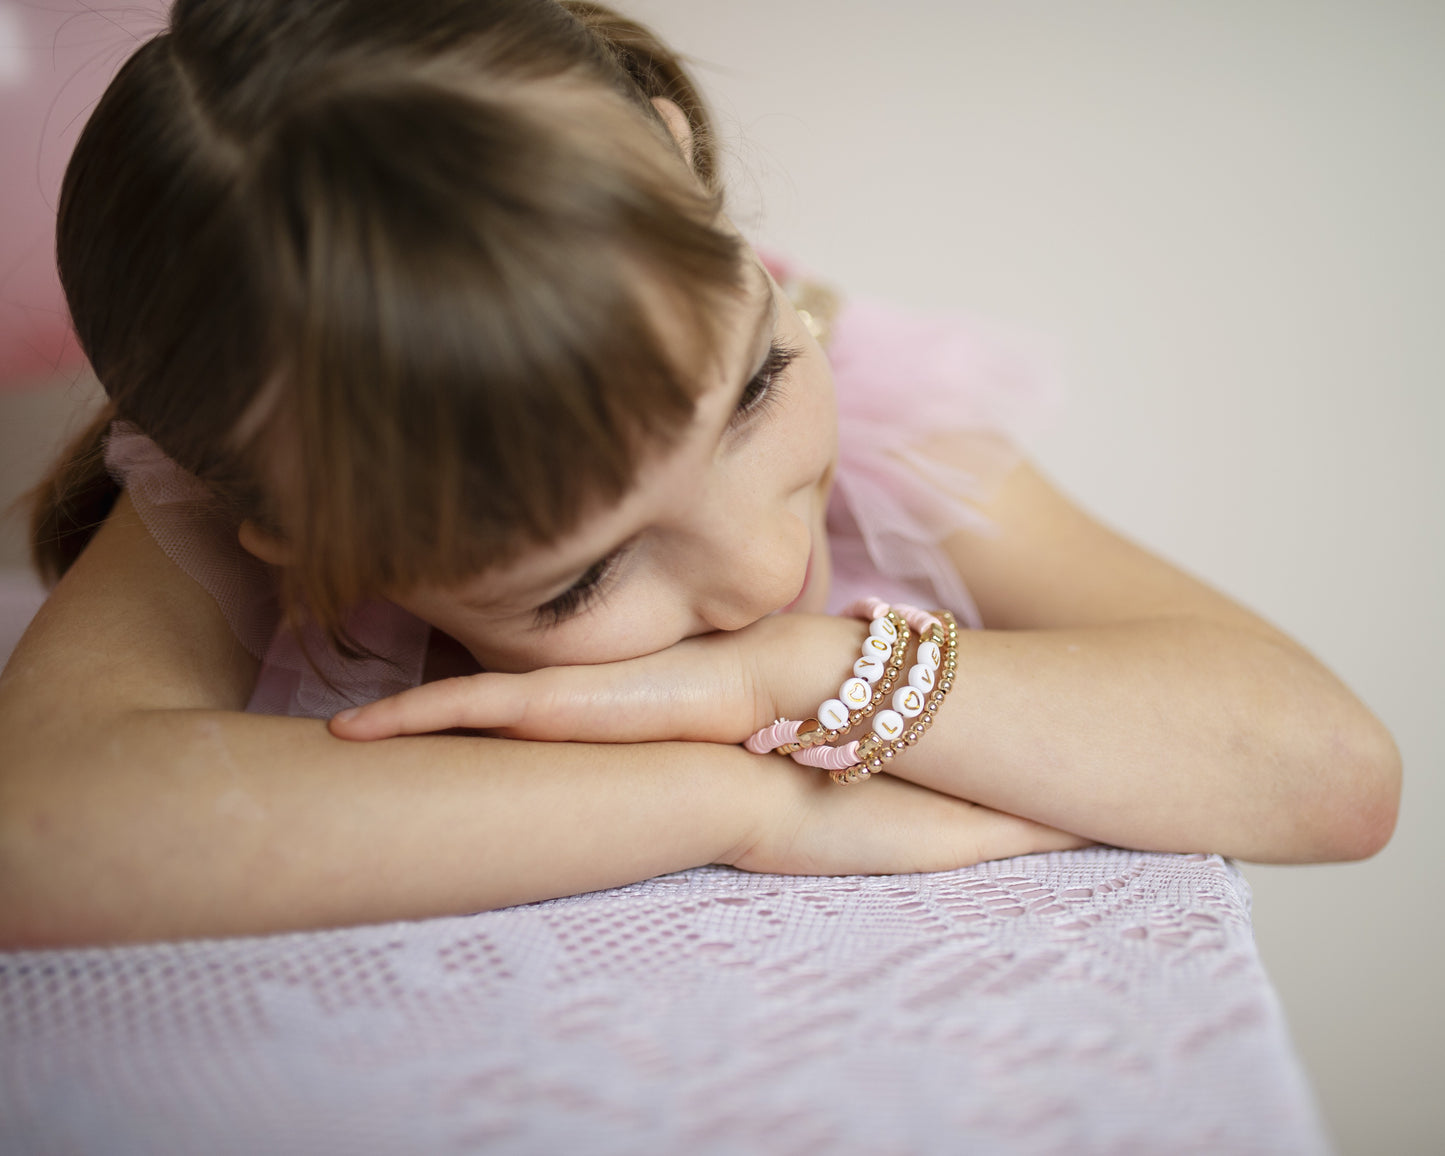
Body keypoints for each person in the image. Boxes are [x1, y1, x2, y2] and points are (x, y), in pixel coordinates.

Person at [0, 0, 1399, 948]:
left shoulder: (887, 390)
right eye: (581, 574)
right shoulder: (278, 471)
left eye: (752, 395)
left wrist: (778, 682)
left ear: (674, 152)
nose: (759, 570)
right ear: (293, 537)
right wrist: (748, 800)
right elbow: (33, 839)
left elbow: (1323, 773)